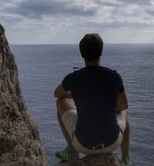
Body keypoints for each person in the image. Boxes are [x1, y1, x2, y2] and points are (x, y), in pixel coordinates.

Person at [54, 34, 130, 165]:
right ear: (101, 52)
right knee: (124, 113)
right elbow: (123, 105)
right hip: (112, 143)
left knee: (60, 102)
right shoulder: (113, 76)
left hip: (83, 145)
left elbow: (57, 94)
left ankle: (72, 150)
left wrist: (76, 93)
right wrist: (107, 105)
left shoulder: (73, 78)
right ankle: (126, 158)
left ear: (81, 53)